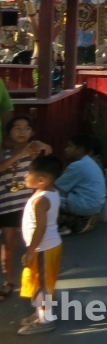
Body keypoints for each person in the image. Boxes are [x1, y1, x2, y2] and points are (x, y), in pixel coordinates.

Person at [0, 116, 51, 301]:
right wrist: (20, 154)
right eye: (17, 128)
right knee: (9, 245)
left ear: (32, 132)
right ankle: (8, 282)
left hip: (30, 206)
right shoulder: (3, 152)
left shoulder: (35, 150)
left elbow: (49, 151)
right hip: (6, 205)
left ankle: (35, 281)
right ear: (8, 132)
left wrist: (39, 144)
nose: (22, 132)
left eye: (27, 128)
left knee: (33, 243)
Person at [18, 154, 63, 334]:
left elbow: (41, 227)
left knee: (42, 284)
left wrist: (30, 251)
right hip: (44, 247)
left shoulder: (41, 200)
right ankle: (40, 313)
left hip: (43, 248)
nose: (25, 176)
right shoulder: (48, 192)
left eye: (29, 173)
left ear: (42, 180)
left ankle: (46, 320)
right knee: (37, 282)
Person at [55, 135, 106, 235]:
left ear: (79, 150)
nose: (66, 149)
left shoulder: (78, 166)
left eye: (69, 146)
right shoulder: (90, 162)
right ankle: (76, 218)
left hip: (86, 204)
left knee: (48, 194)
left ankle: (63, 224)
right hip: (96, 204)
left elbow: (57, 184)